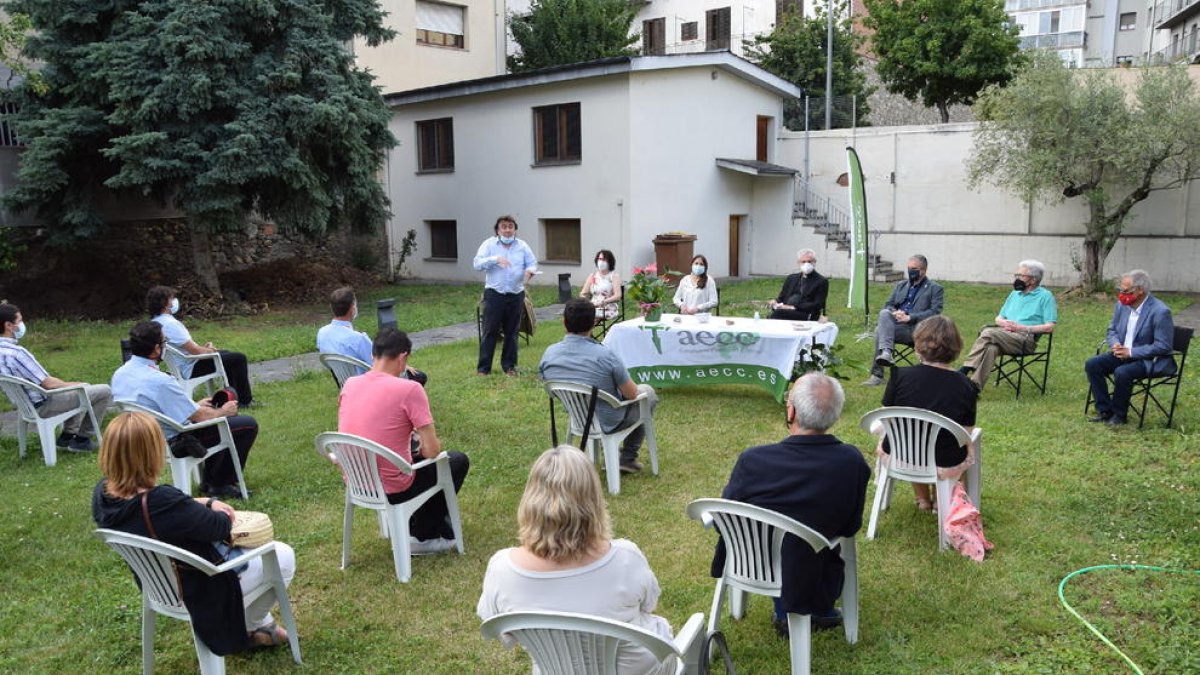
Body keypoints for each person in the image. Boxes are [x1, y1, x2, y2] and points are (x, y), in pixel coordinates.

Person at [92, 411, 295, 653]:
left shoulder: (103, 495)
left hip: (160, 585)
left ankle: (257, 625)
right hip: (198, 588)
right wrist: (217, 508)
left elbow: (173, 510)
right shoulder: (160, 501)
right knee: (281, 555)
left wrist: (202, 502)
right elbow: (218, 526)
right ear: (151, 453)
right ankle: (253, 626)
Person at [477, 446, 676, 673]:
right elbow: (649, 604)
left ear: (530, 498)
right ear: (592, 500)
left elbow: (502, 632)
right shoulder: (625, 559)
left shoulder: (502, 570)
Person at [712, 373, 869, 638]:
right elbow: (850, 525)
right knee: (803, 547)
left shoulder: (754, 460)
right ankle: (810, 610)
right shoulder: (851, 462)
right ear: (835, 415)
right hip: (813, 562)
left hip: (752, 561)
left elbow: (723, 518)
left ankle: (786, 610)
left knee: (786, 541)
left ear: (791, 410)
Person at [338, 328, 469, 554]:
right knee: (455, 460)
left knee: (414, 455)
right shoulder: (410, 389)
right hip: (393, 486)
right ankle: (422, 536)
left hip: (357, 479)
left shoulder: (350, 384)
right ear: (403, 358)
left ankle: (412, 524)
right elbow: (432, 451)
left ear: (373, 355)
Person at [112, 321, 258, 499]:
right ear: (157, 349)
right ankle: (220, 483)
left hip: (141, 437)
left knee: (215, 416)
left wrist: (193, 405)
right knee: (246, 425)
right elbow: (202, 417)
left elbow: (155, 406)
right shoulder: (160, 380)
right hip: (176, 440)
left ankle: (210, 481)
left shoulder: (120, 374)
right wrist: (224, 411)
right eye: (165, 343)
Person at [539, 298, 658, 474]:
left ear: (564, 323)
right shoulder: (605, 356)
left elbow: (551, 388)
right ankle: (627, 457)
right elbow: (632, 394)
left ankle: (612, 454)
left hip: (577, 416)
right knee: (647, 392)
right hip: (609, 421)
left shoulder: (549, 354)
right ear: (594, 323)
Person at [879, 316, 977, 511]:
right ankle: (944, 501)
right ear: (956, 348)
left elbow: (886, 417)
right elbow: (965, 432)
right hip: (945, 460)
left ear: (917, 346)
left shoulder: (899, 376)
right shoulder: (966, 385)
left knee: (913, 436)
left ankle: (923, 500)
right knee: (959, 444)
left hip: (902, 455)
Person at [0, 301, 111, 452]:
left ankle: (67, 436)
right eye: (19, 321)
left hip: (25, 405)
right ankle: (82, 439)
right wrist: (76, 384)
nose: (22, 325)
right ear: (9, 326)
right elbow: (48, 384)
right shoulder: (17, 353)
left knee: (74, 390)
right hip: (44, 405)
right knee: (102, 391)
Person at [1085, 270, 1176, 427]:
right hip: (1122, 354)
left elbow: (1164, 346)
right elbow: (1111, 330)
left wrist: (1131, 352)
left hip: (1149, 360)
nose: (1121, 294)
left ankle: (1119, 415)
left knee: (1123, 372)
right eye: (1120, 290)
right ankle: (1105, 410)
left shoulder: (1160, 311)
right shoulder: (1122, 306)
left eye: (1126, 291)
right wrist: (1115, 344)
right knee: (1093, 364)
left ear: (1140, 290)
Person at [959, 260, 1057, 392]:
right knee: (991, 349)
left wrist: (1022, 328)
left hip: (1025, 340)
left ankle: (965, 369)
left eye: (1021, 275)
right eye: (1016, 275)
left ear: (1033, 280)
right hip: (1004, 334)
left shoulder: (1045, 296)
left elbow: (1050, 327)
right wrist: (1004, 323)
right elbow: (999, 318)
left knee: (988, 332)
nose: (1017, 278)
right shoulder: (1014, 294)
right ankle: (974, 387)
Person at [147, 286, 254, 406]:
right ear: (165, 303)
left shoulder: (156, 322)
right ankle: (245, 400)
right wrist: (209, 351)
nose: (174, 301)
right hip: (191, 367)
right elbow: (194, 350)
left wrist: (206, 349)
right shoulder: (170, 324)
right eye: (171, 299)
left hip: (184, 363)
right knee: (239, 358)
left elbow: (185, 348)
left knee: (228, 355)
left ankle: (233, 397)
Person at [317, 286, 426, 384]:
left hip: (345, 383)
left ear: (332, 308)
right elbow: (380, 363)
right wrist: (403, 366)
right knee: (420, 377)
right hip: (369, 383)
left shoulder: (322, 333)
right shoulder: (358, 339)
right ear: (352, 308)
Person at [863, 255, 945, 386]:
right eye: (908, 268)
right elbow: (888, 304)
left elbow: (935, 312)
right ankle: (887, 352)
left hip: (918, 330)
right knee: (885, 313)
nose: (910, 271)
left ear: (923, 270)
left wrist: (910, 317)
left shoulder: (935, 288)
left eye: (914, 268)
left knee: (880, 330)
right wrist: (895, 312)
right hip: (897, 326)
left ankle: (878, 373)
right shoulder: (901, 285)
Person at [473, 215, 538, 376]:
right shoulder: (489, 244)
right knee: (490, 330)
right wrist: (495, 259)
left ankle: (509, 366)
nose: (507, 230)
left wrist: (530, 271)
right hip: (494, 294)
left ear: (515, 229)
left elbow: (532, 263)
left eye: (510, 226)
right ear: (498, 230)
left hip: (515, 293)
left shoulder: (522, 246)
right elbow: (477, 264)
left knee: (512, 331)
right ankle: (483, 368)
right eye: (504, 227)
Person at [768, 249, 828, 321]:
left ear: (814, 262)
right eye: (803, 262)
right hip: (786, 310)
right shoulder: (791, 278)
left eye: (809, 261)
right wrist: (775, 302)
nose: (806, 264)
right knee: (775, 313)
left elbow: (817, 305)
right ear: (799, 263)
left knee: (778, 314)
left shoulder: (821, 281)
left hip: (806, 313)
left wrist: (793, 307)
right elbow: (782, 297)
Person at [580, 249, 623, 320]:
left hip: (607, 307)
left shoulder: (614, 276)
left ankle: (585, 330)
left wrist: (603, 302)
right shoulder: (592, 276)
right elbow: (583, 293)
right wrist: (587, 303)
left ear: (609, 261)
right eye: (600, 259)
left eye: (604, 259)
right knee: (578, 314)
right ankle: (582, 330)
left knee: (588, 317)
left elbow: (618, 296)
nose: (601, 261)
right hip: (592, 306)